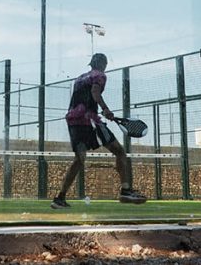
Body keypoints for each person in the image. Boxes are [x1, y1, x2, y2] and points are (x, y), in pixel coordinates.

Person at [50, 53, 146, 208]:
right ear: (103, 64)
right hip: (90, 121)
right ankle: (126, 190)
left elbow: (84, 98)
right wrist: (106, 109)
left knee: (79, 160)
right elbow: (95, 93)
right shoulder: (100, 76)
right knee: (119, 151)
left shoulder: (80, 78)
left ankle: (59, 198)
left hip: (74, 121)